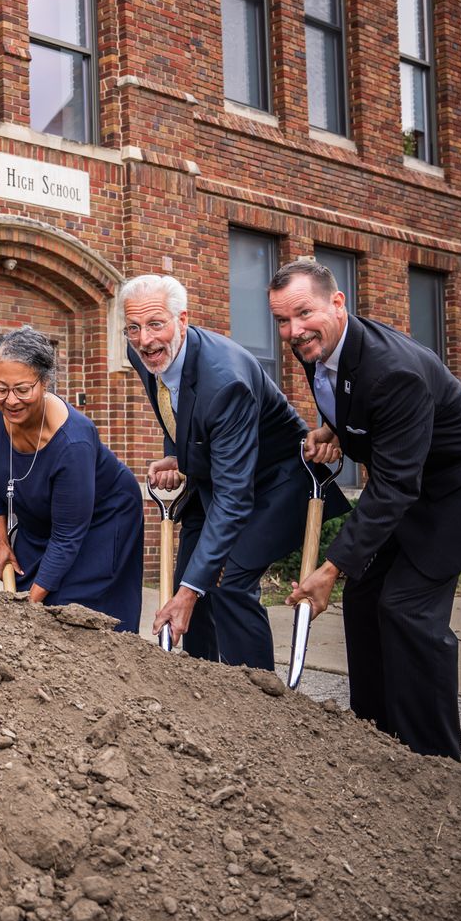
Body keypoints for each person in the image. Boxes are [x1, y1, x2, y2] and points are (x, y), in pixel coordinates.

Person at [270, 260, 461, 760]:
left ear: (337, 303)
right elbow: (359, 412)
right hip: (416, 490)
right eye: (282, 321)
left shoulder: (393, 371)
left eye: (303, 313)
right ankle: (377, 737)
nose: (293, 331)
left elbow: (393, 485)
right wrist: (335, 430)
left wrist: (331, 567)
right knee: (366, 597)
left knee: (407, 608)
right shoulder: (320, 348)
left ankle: (432, 761)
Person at [123, 273, 347, 668]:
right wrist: (177, 453)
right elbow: (175, 404)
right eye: (134, 328)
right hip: (215, 479)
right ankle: (204, 686)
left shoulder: (226, 382)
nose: (144, 340)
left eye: (156, 324)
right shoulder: (146, 353)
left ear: (183, 320)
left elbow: (234, 496)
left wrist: (193, 590)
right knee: (189, 581)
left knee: (227, 583)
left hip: (277, 483)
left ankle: (257, 697)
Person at [0, 328, 144, 631]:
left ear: (45, 383)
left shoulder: (73, 443)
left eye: (22, 389)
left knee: (71, 611)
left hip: (102, 520)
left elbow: (68, 536)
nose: (10, 400)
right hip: (41, 522)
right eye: (0, 388)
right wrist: (0, 540)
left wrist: (29, 607)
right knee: (34, 586)